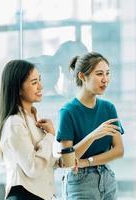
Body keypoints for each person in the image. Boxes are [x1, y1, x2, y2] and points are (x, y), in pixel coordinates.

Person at [56, 52, 124, 200]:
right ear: (82, 76)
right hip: (79, 182)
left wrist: (87, 162)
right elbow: (68, 161)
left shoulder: (109, 108)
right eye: (99, 74)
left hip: (107, 178)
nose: (105, 80)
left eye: (107, 73)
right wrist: (93, 135)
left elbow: (119, 150)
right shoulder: (67, 111)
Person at [0, 60, 61, 199]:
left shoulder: (34, 119)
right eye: (34, 82)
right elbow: (33, 168)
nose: (41, 86)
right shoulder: (15, 123)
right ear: (18, 88)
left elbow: (47, 164)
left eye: (39, 80)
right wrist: (50, 136)